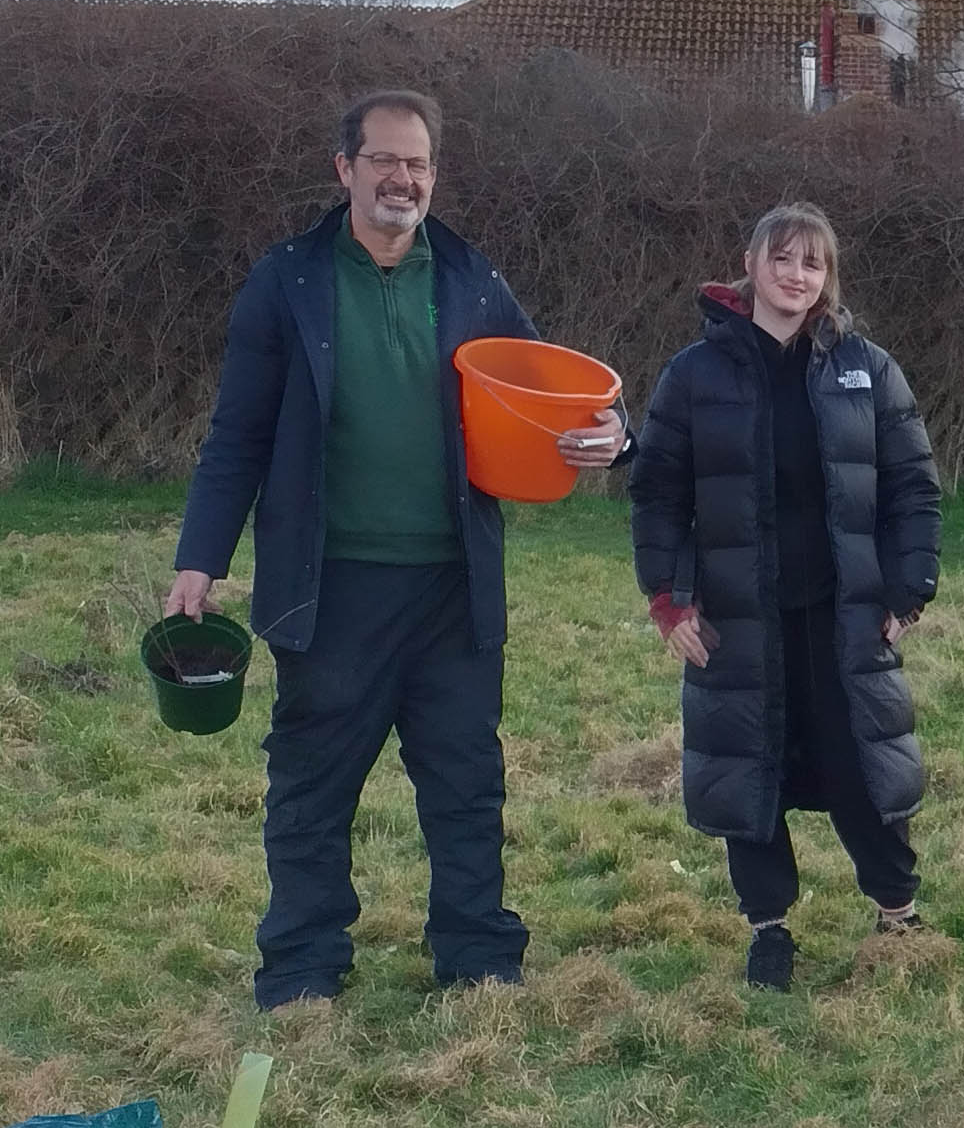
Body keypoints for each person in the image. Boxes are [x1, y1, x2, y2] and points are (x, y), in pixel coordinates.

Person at [168, 89, 627, 1010]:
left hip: (451, 584)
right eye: (384, 160)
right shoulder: (288, 280)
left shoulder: (468, 276)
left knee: (465, 782)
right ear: (345, 169)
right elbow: (238, 435)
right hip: (329, 584)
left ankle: (478, 959)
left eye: (417, 162)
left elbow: (551, 395)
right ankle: (301, 967)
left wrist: (614, 434)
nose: (402, 178)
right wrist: (199, 559)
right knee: (311, 786)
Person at [627, 204, 942, 992]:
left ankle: (897, 912)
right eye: (782, 258)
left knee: (862, 765)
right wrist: (668, 601)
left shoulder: (866, 367)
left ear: (827, 277)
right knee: (748, 768)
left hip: (846, 615)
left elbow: (915, 489)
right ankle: (769, 930)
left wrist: (909, 591)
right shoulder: (695, 374)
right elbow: (657, 493)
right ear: (751, 262)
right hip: (738, 615)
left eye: (813, 263)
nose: (796, 275)